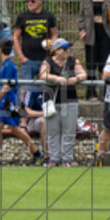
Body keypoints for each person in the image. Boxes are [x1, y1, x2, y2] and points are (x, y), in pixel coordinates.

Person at [0, 39, 43, 166]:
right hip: (4, 101)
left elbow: (6, 87)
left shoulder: (8, 65)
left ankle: (37, 153)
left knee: (15, 129)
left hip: (9, 102)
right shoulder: (6, 64)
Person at [13, 0, 57, 140]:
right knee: (25, 89)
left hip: (44, 59)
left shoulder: (48, 16)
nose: (29, 4)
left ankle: (48, 113)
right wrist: (21, 56)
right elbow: (15, 37)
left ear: (40, 1)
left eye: (32, 1)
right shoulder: (22, 16)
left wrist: (51, 47)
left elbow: (54, 36)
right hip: (28, 60)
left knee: (45, 87)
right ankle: (23, 120)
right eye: (27, 1)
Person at [39, 38, 86, 167]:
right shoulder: (47, 61)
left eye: (68, 48)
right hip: (51, 101)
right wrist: (57, 79)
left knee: (69, 131)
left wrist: (75, 79)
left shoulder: (73, 61)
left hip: (69, 100)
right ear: (56, 50)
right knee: (52, 131)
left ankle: (66, 160)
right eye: (64, 49)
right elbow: (43, 75)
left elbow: (83, 74)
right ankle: (54, 159)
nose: (67, 51)